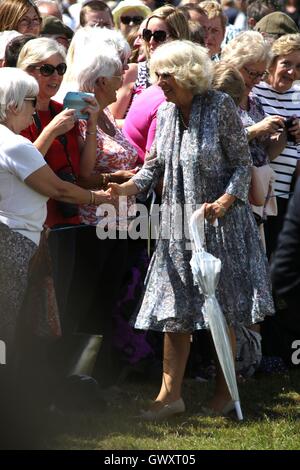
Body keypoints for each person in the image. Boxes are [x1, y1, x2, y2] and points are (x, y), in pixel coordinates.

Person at [109, 40, 274, 419]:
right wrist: (126, 187)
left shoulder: (220, 108)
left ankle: (224, 392)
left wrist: (225, 202)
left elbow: (241, 164)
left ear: (188, 74)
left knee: (221, 310)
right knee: (173, 311)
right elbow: (153, 168)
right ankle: (170, 396)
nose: (161, 82)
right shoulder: (165, 113)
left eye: (167, 75)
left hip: (220, 227)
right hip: (175, 225)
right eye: (158, 74)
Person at [0, 67, 109, 365]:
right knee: (7, 327)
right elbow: (59, 189)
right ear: (13, 105)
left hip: (12, 238)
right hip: (13, 243)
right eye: (32, 102)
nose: (35, 110)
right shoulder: (14, 144)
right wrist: (100, 197)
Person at [16, 37, 102, 326]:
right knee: (31, 308)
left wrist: (91, 126)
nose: (55, 76)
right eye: (46, 69)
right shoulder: (16, 115)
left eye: (61, 68)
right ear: (27, 71)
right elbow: (24, 165)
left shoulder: (60, 110)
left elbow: (83, 172)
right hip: (37, 225)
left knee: (61, 305)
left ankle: (56, 368)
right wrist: (51, 131)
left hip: (68, 218)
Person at [221, 31, 287, 247]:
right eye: (252, 73)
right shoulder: (220, 99)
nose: (257, 81)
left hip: (256, 199)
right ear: (234, 63)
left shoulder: (254, 101)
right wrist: (257, 129)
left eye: (261, 74)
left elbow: (266, 153)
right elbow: (221, 142)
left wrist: (282, 135)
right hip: (229, 196)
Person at [253, 33, 300, 257]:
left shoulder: (299, 97)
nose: (292, 72)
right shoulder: (255, 91)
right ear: (272, 63)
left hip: (283, 194)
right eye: (286, 64)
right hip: (255, 193)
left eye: (298, 66)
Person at [110, 5, 190, 121]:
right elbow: (110, 124)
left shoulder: (191, 77)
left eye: (159, 36)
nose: (151, 42)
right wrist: (146, 125)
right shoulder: (133, 72)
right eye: (147, 35)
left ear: (177, 38)